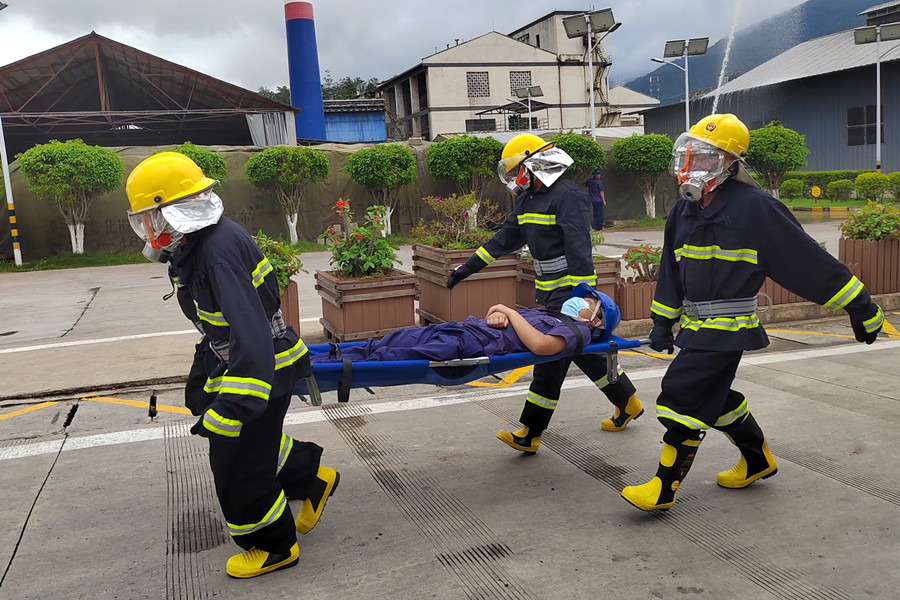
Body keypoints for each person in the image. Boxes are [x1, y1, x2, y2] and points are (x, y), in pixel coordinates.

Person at [621, 114, 884, 512]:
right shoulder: (682, 212)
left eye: (704, 157)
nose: (691, 165)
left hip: (730, 326)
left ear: (729, 164)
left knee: (682, 395)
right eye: (688, 155)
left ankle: (664, 487)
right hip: (696, 326)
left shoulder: (756, 208)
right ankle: (757, 460)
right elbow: (672, 271)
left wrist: (860, 305)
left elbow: (806, 262)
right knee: (714, 395)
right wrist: (662, 321)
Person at [125, 152, 340, 578]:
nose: (147, 230)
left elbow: (251, 334)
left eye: (148, 219)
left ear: (170, 213)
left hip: (261, 366)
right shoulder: (198, 243)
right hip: (244, 357)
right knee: (248, 442)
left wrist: (235, 406)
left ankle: (274, 546)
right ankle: (310, 478)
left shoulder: (216, 252)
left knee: (237, 462)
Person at [446, 133, 643, 455]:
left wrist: (582, 298)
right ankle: (628, 402)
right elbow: (504, 239)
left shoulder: (568, 196)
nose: (514, 178)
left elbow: (579, 249)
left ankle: (530, 432)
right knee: (583, 352)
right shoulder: (526, 199)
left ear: (534, 164)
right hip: (549, 293)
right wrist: (466, 269)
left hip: (571, 295)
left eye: (516, 170)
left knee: (550, 358)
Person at [311, 287, 616, 366]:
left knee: (389, 357)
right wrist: (500, 315)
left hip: (469, 345)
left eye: (589, 301)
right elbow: (504, 318)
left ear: (596, 320)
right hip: (460, 330)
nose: (582, 300)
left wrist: (508, 312)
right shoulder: (553, 316)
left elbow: (540, 346)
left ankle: (315, 367)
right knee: (388, 342)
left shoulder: (578, 331)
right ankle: (322, 357)